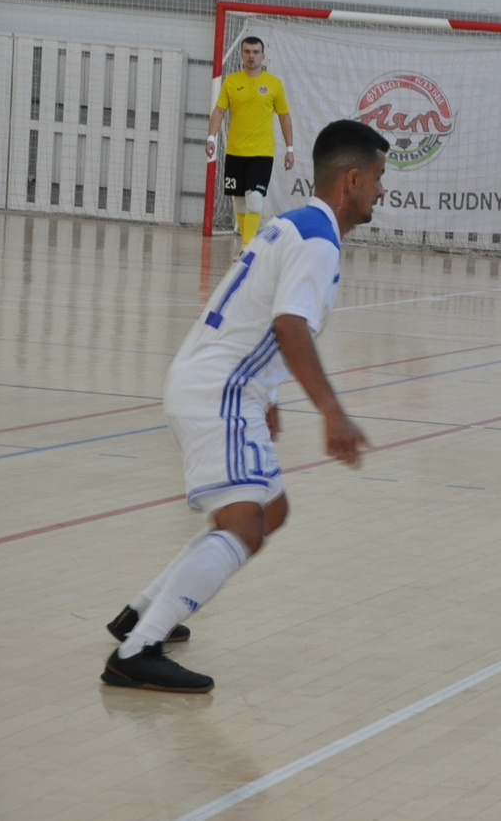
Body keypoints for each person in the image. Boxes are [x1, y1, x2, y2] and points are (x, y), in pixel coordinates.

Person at [102, 119, 390, 692]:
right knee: (245, 524)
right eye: (379, 178)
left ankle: (143, 612)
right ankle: (136, 651)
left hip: (219, 383)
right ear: (352, 180)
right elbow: (289, 326)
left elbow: (255, 311)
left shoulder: (295, 223)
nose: (383, 191)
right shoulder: (318, 240)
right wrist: (332, 412)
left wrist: (270, 393)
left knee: (270, 509)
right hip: (221, 392)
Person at [207, 36, 295, 249]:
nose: (251, 56)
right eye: (247, 52)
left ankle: (247, 247)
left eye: (255, 52)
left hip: (262, 153)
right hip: (235, 151)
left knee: (254, 198)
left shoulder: (274, 84)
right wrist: (211, 138)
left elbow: (284, 116)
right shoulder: (231, 81)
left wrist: (290, 149)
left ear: (263, 55)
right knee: (239, 200)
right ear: (241, 54)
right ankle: (246, 244)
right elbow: (219, 111)